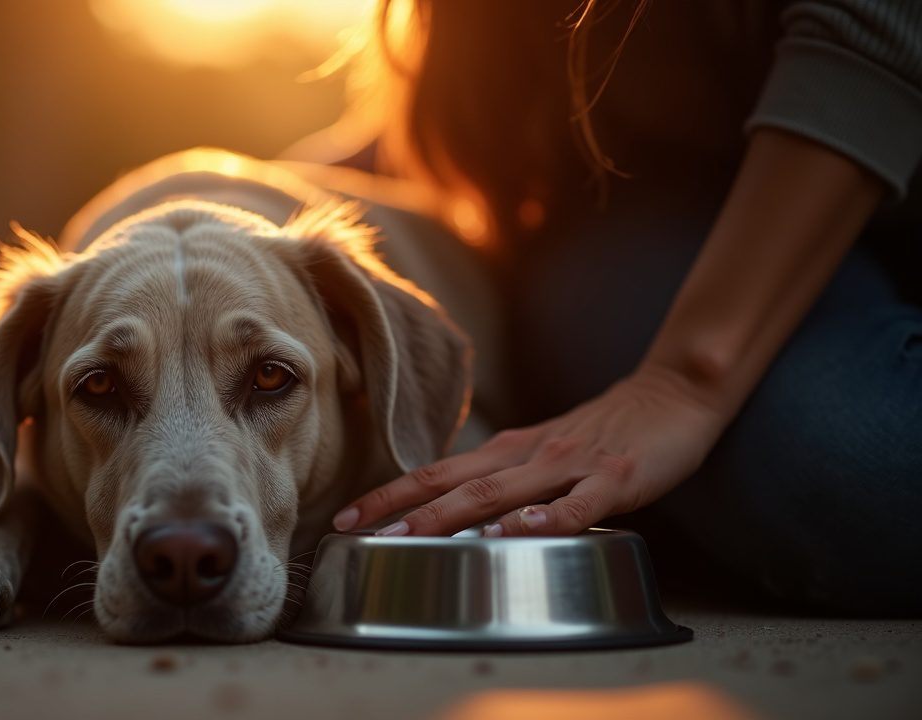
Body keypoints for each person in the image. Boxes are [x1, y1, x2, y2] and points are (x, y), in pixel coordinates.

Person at [314, 0, 922, 615]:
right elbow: (469, 84)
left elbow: (885, 27)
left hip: (857, 140)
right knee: (869, 467)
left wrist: (684, 379)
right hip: (647, 200)